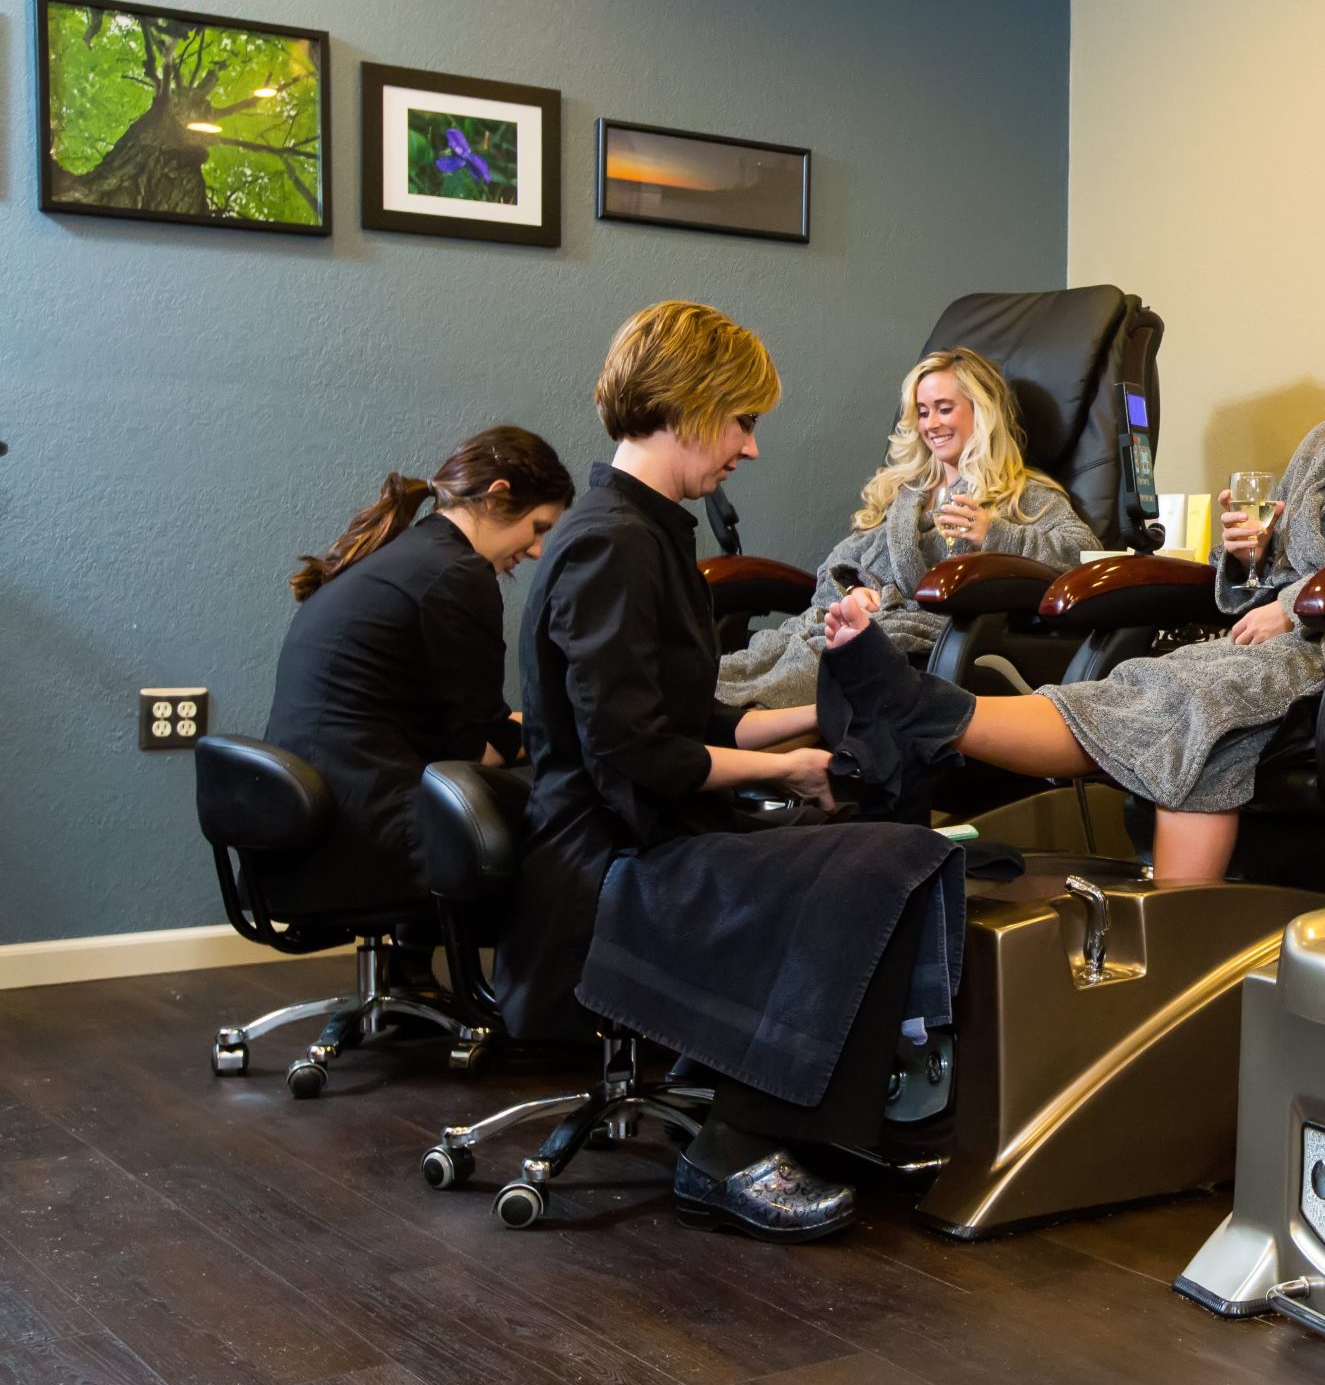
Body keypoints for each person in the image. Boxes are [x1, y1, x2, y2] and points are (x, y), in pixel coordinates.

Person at [818, 247, 1325, 883]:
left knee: (1200, 704)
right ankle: (930, 716)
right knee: (1150, 679)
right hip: (1294, 635)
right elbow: (1264, 567)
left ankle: (927, 713)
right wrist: (1248, 553)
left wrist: (1297, 598)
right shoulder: (1324, 442)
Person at [501, 300, 963, 1245]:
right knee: (886, 862)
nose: (749, 448)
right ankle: (735, 1148)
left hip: (643, 826)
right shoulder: (611, 545)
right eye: (742, 421)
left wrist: (830, 696)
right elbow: (633, 752)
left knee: (877, 842)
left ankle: (817, 1112)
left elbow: (692, 715)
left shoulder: (642, 530)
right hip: (605, 862)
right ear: (687, 406)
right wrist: (785, 771)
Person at [261, 425, 574, 940]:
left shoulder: (402, 558)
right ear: (498, 496)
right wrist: (564, 732)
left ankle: (411, 979)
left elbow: (444, 722)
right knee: (569, 815)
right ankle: (544, 1007)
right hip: (366, 836)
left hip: (307, 827)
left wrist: (526, 726)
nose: (539, 551)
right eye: (539, 527)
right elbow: (477, 747)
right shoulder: (457, 574)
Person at [716, 345, 1096, 706]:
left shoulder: (1020, 493)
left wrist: (994, 533)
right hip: (872, 621)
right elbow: (843, 562)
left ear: (981, 412)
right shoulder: (905, 496)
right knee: (770, 655)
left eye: (944, 408)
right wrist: (854, 591)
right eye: (923, 412)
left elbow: (1085, 555)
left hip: (945, 641)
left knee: (814, 668)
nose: (931, 424)